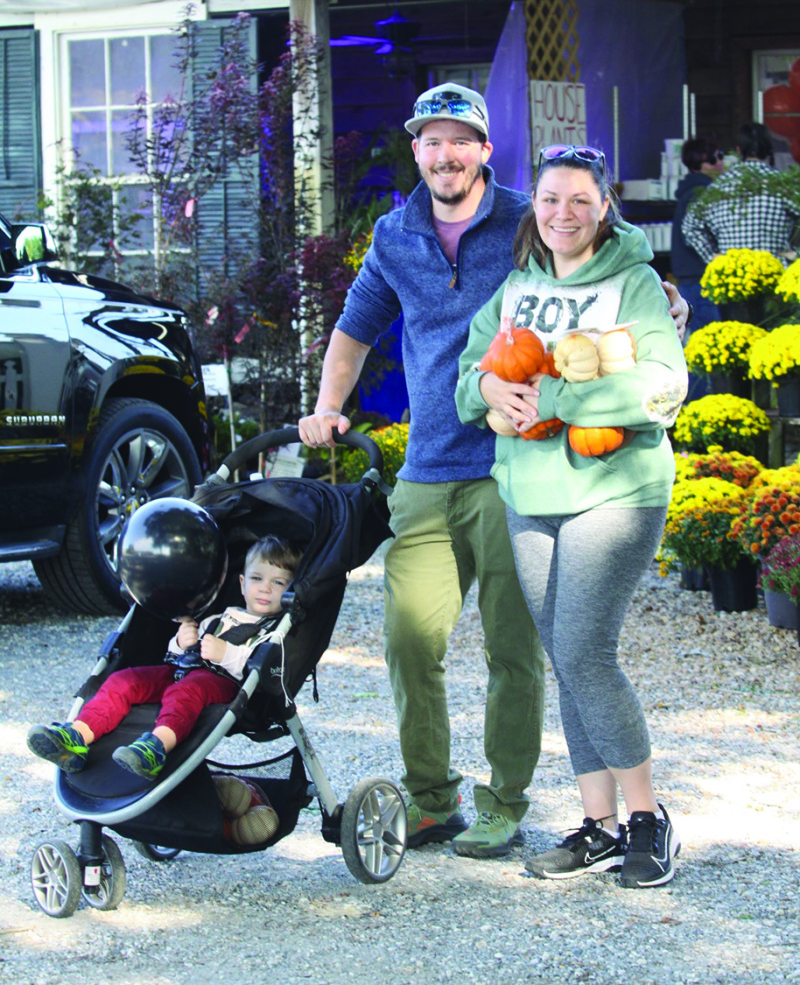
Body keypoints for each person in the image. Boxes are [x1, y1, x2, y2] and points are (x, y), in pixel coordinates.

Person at [298, 83, 689, 860]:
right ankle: (437, 799)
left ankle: (518, 802)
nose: (445, 154)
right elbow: (357, 330)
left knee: (530, 650)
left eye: (460, 140)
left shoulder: (530, 214)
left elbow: (604, 244)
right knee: (412, 638)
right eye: (430, 141)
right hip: (441, 466)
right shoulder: (399, 236)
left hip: (529, 472)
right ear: (416, 150)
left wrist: (663, 298)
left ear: (484, 148)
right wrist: (328, 404)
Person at [455, 143, 687, 887]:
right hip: (529, 491)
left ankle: (649, 819)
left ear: (604, 207)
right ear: (536, 208)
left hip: (615, 490)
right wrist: (491, 394)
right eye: (551, 199)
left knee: (585, 650)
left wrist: (559, 399)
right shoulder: (517, 287)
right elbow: (470, 373)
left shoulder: (636, 282)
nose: (564, 213)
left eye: (581, 200)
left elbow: (664, 381)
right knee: (565, 655)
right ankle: (599, 824)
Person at [27, 535, 301, 781]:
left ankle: (156, 749)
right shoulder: (220, 618)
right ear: (242, 583)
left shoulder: (272, 632)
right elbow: (175, 655)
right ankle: (78, 737)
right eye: (257, 579)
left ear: (289, 592)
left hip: (223, 685)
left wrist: (225, 653)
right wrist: (182, 642)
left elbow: (262, 667)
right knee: (125, 679)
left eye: (278, 583)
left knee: (187, 692)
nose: (265, 589)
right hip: (182, 672)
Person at [682, 122, 800, 265]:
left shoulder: (719, 186)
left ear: (738, 151)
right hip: (774, 271)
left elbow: (690, 225)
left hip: (731, 275)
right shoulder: (781, 185)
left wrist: (712, 257)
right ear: (769, 151)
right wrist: (795, 254)